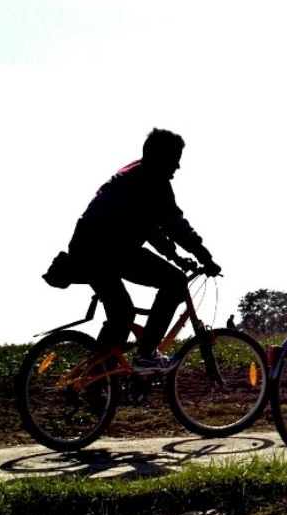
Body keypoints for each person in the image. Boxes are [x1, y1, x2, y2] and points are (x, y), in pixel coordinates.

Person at [66, 128, 221, 372]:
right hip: (109, 248)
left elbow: (151, 229)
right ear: (161, 158)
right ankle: (147, 354)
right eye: (175, 159)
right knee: (175, 283)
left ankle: (94, 382)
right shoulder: (153, 181)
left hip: (87, 246)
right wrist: (205, 257)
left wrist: (176, 257)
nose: (178, 167)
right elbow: (174, 224)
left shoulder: (134, 174)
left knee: (121, 315)